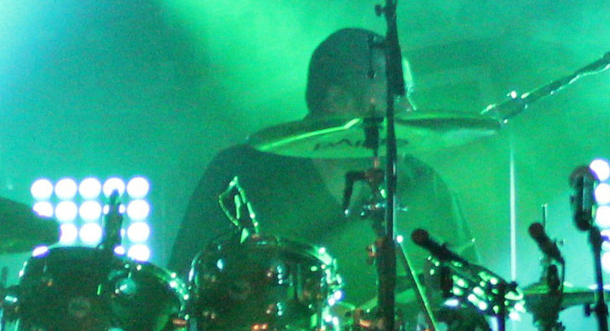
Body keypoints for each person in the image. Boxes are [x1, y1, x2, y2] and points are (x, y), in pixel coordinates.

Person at [170, 25, 477, 299]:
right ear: (337, 101)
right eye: (397, 96)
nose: (410, 108)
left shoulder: (422, 183)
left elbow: (473, 291)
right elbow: (182, 281)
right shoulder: (242, 173)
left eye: (409, 94)